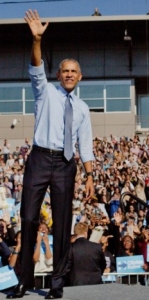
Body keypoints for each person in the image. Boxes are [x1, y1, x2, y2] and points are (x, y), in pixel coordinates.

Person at [7, 9, 94, 299]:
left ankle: (57, 284)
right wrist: (36, 40)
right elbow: (35, 66)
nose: (68, 75)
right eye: (64, 71)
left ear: (79, 77)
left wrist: (91, 176)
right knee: (29, 217)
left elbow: (86, 144)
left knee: (62, 220)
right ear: (58, 75)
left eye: (73, 72)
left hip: (67, 164)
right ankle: (24, 280)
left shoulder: (82, 108)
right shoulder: (45, 92)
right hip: (40, 159)